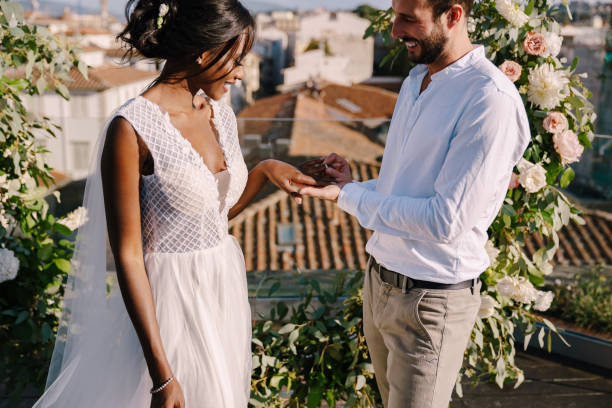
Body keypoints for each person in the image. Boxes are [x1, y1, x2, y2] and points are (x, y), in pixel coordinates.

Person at [33, 1, 315, 407]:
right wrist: (161, 374)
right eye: (235, 60)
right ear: (203, 51)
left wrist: (265, 169)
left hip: (221, 289)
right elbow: (129, 254)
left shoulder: (220, 112)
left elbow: (211, 218)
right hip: (170, 306)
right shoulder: (131, 128)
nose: (240, 73)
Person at [299, 0, 531, 407]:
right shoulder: (415, 81)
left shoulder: (489, 100)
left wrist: (348, 197)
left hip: (430, 303)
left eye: (408, 18)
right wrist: (354, 184)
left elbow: (446, 220)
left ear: (453, 15)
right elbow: (407, 188)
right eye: (395, 15)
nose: (394, 30)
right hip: (381, 283)